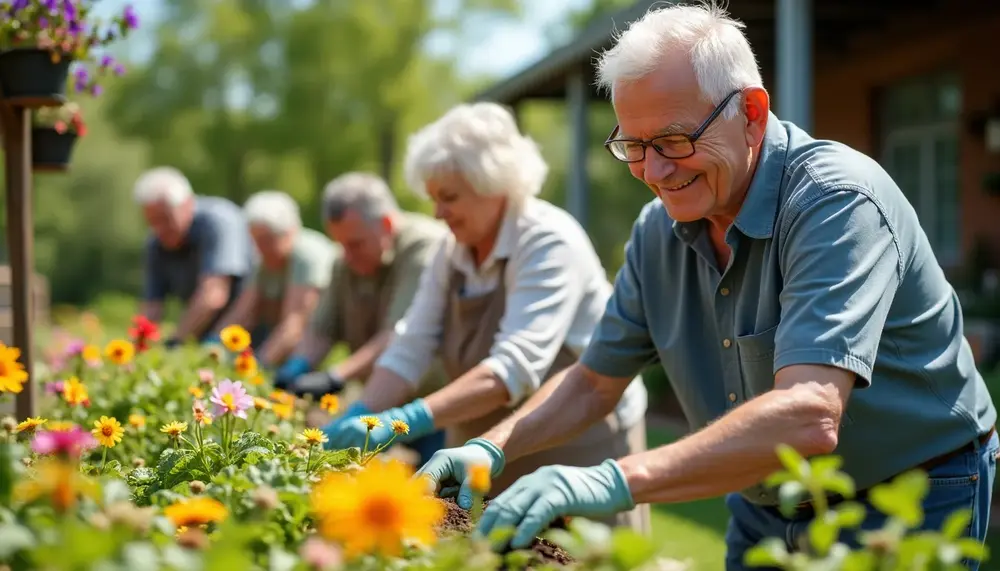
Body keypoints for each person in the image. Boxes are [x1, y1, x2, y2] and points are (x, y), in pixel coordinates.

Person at [416, 3, 998, 568]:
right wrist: (492, 447)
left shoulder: (835, 202)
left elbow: (809, 414)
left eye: (672, 141)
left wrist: (616, 479)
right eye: (634, 147)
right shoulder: (657, 232)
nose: (655, 172)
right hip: (764, 496)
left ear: (751, 111)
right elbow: (594, 381)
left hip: (909, 489)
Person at [321, 102, 652, 533]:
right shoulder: (450, 250)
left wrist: (406, 421)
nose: (437, 212)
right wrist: (364, 412)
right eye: (433, 198)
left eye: (449, 197)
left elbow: (511, 369)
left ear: (494, 186)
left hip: (575, 446)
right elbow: (410, 346)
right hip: (482, 446)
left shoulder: (548, 242)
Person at [273, 172, 449, 464]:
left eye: (355, 243)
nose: (347, 254)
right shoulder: (346, 261)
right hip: (380, 403)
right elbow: (322, 330)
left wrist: (335, 376)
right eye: (340, 243)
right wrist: (296, 369)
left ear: (387, 224)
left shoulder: (425, 247)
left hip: (434, 409)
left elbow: (399, 336)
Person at [208, 190, 338, 368]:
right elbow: (242, 311)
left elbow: (295, 324)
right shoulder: (263, 260)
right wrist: (214, 344)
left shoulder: (307, 256)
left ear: (289, 232)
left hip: (318, 346)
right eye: (255, 240)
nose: (260, 248)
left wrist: (258, 366)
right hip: (280, 342)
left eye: (268, 240)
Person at [134, 166, 255, 346]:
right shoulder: (156, 242)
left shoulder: (218, 221)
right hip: (203, 335)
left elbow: (213, 295)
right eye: (152, 222)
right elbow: (152, 307)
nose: (159, 229)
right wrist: (137, 346)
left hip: (247, 333)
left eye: (165, 219)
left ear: (187, 204)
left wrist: (175, 342)